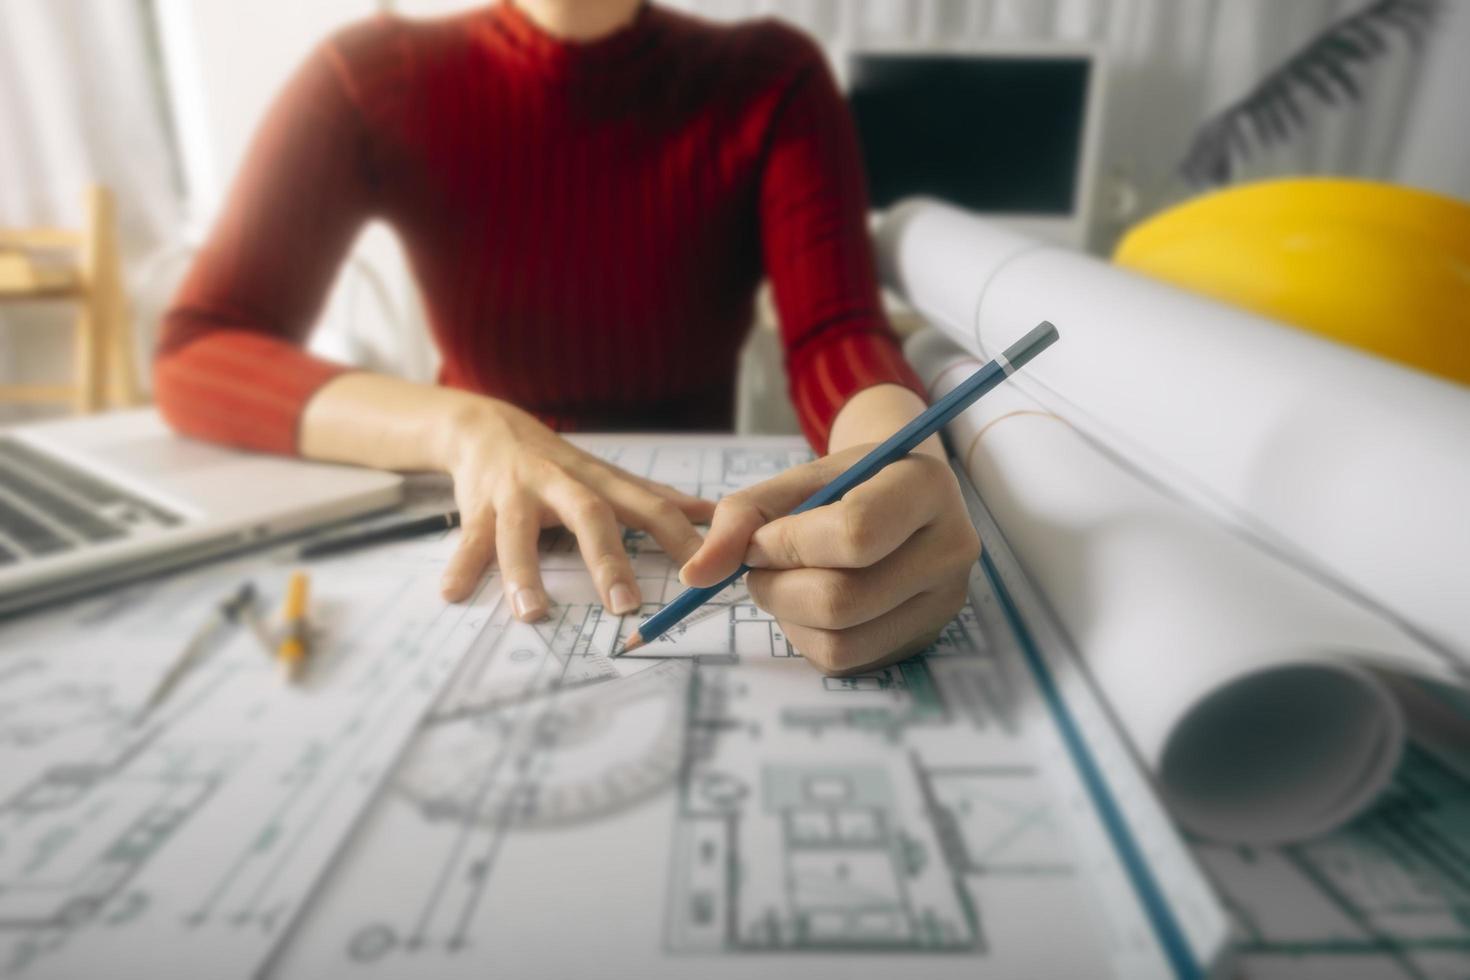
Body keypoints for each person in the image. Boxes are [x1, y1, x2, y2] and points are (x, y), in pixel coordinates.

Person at [154, 0, 979, 675]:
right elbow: (201, 348)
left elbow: (836, 332)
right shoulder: (370, 76)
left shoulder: (773, 78)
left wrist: (901, 462)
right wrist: (468, 424)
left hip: (687, 536)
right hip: (471, 526)